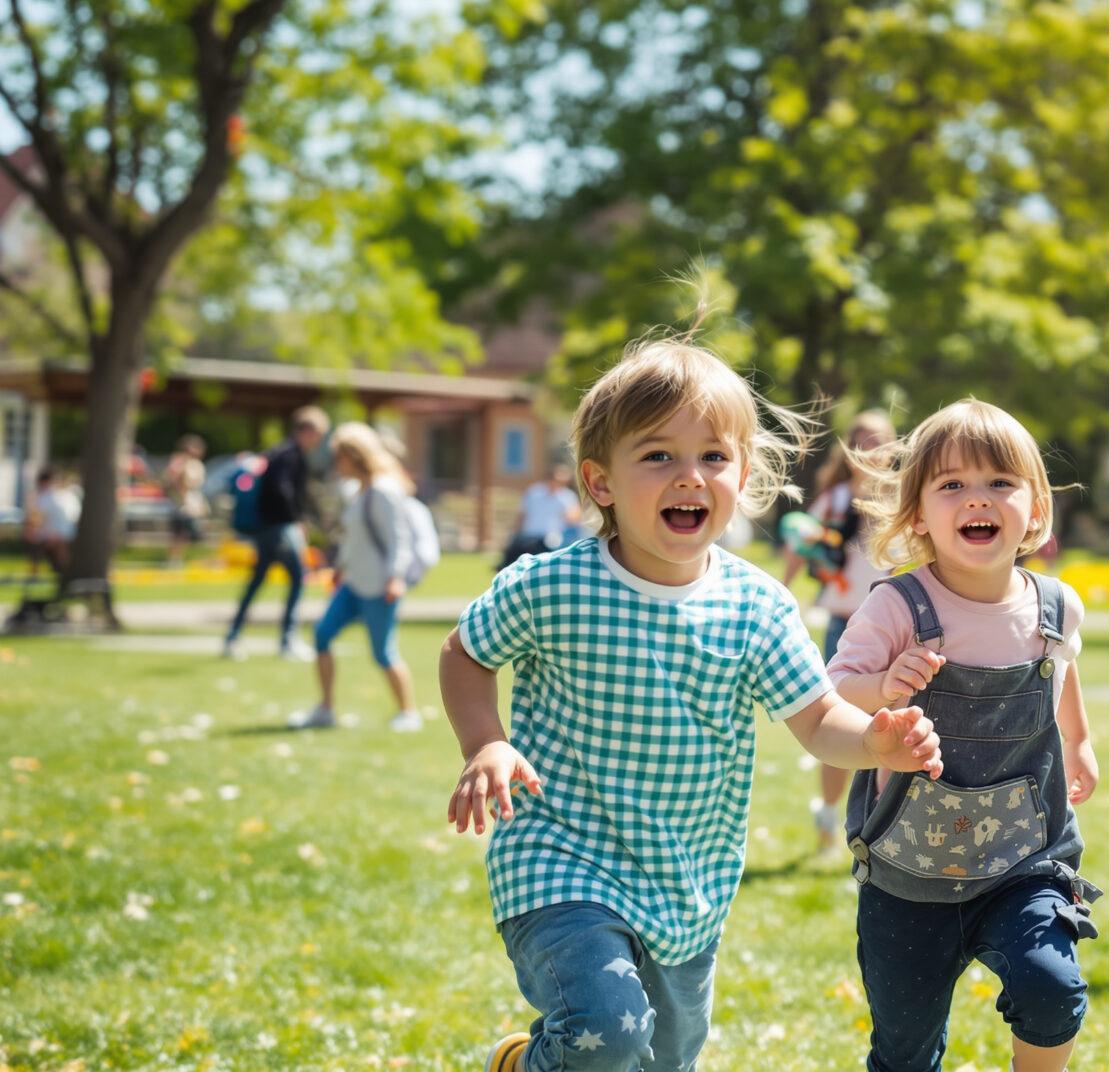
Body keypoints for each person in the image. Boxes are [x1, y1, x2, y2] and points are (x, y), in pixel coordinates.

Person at [438, 336, 945, 1072]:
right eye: (657, 456)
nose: (690, 477)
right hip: (560, 859)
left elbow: (815, 716)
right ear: (600, 481)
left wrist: (873, 741)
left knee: (662, 1059)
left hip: (688, 881)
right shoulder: (552, 585)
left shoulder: (758, 607)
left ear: (742, 473)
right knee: (607, 1034)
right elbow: (465, 651)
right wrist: (485, 742)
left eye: (713, 457)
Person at [827, 399, 1100, 1072]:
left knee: (1053, 988)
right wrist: (887, 681)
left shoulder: (1057, 606)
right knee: (904, 1051)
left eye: (999, 483)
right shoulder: (897, 604)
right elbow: (835, 687)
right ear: (919, 513)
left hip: (1024, 861)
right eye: (952, 485)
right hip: (907, 874)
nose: (976, 499)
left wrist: (1081, 741)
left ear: (1034, 509)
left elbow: (1062, 672)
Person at [780, 408, 898, 852]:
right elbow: (800, 544)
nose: (871, 447)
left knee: (892, 727)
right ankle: (829, 813)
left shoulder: (905, 500)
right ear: (849, 447)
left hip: (896, 627)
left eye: (880, 439)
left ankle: (881, 830)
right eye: (863, 438)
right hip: (845, 625)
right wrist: (785, 591)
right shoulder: (834, 501)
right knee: (840, 723)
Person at [287, 423, 424, 733]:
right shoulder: (355, 490)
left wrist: (396, 577)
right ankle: (325, 708)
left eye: (339, 457)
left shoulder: (384, 490)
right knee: (322, 635)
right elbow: (354, 538)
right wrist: (341, 567)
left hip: (380, 586)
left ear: (354, 456)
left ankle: (408, 712)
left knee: (383, 653)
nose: (336, 463)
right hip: (353, 583)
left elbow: (398, 540)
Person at [224, 407, 329, 661]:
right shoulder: (290, 455)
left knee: (257, 581)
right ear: (306, 430)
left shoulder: (277, 452)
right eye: (318, 434)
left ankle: (233, 636)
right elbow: (283, 492)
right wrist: (297, 521)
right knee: (297, 577)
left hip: (264, 528)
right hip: (279, 528)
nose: (319, 441)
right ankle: (288, 640)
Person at [499, 462, 584, 570]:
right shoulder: (534, 492)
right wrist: (516, 532)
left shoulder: (567, 497)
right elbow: (523, 514)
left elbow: (573, 518)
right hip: (528, 536)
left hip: (550, 539)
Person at [162, 435, 209, 568]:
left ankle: (178, 558)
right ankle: (173, 558)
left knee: (187, 532)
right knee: (180, 532)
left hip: (192, 500)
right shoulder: (179, 462)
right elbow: (177, 483)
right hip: (182, 502)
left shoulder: (196, 464)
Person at [25, 469, 78, 578]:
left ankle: (35, 569)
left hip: (56, 535)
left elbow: (35, 521)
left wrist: (32, 533)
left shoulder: (44, 497)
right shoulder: (66, 494)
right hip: (68, 534)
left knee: (59, 560)